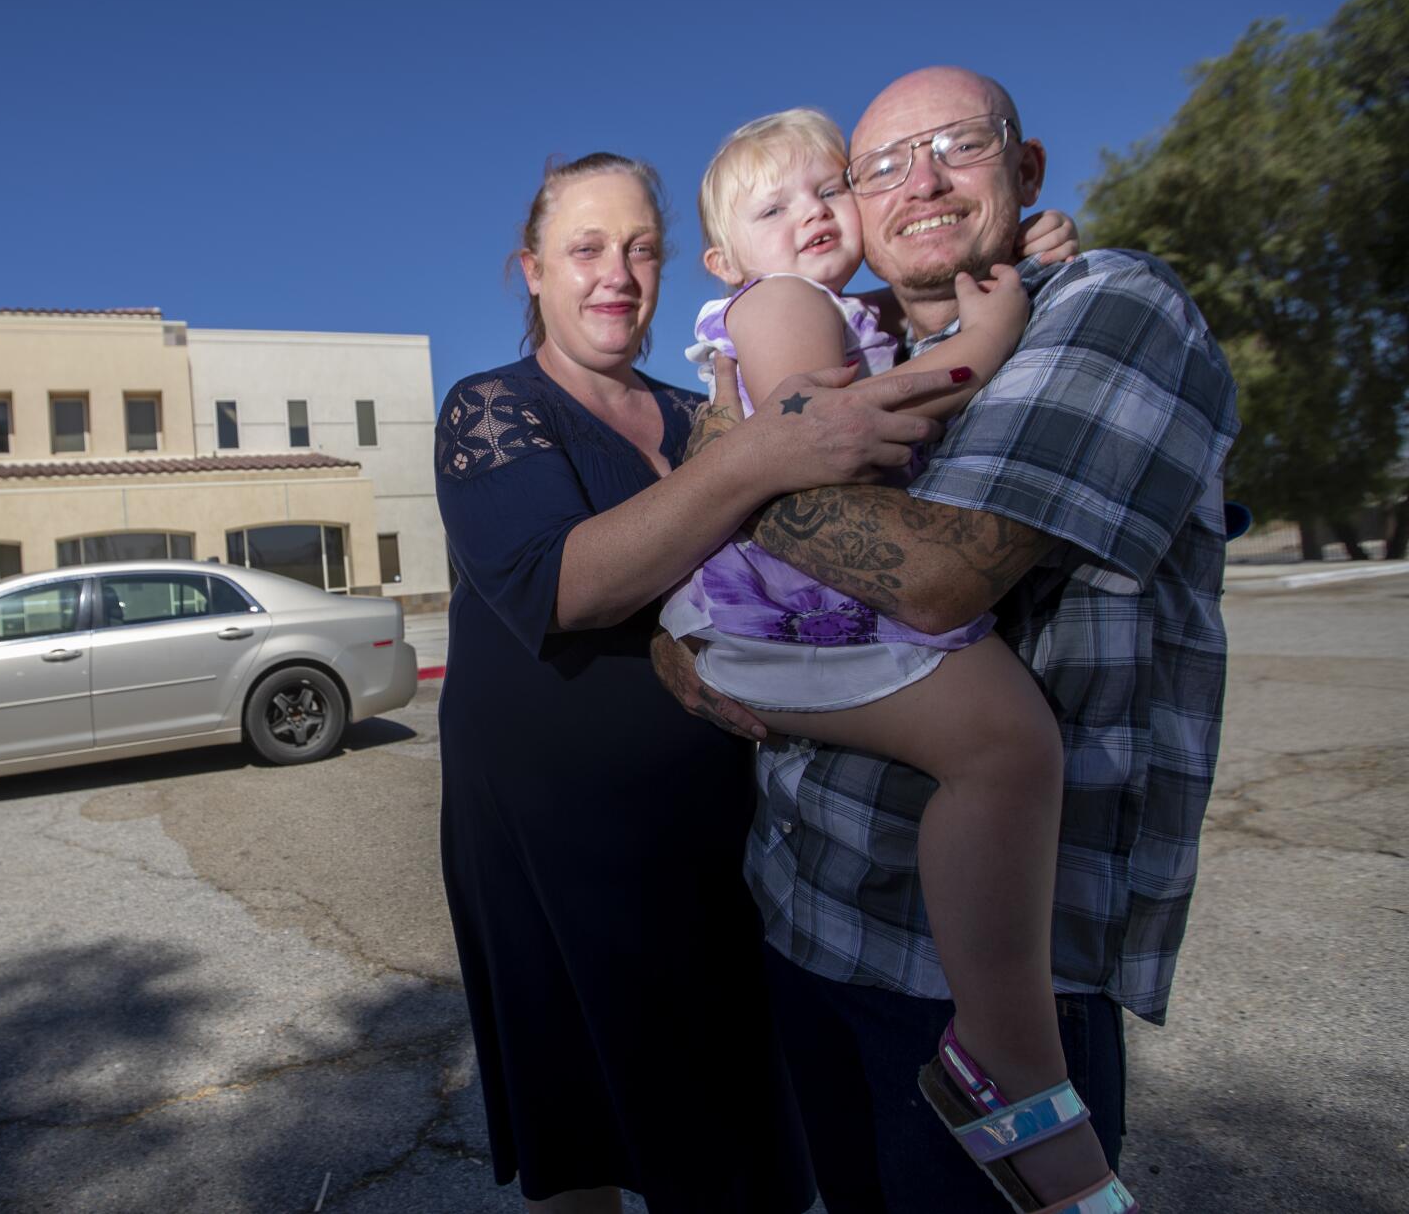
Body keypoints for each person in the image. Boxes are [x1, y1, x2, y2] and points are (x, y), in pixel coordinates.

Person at [655, 68, 1237, 1214]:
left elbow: (930, 578)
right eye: (880, 170)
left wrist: (720, 473)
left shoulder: (1107, 299)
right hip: (806, 914)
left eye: (957, 148)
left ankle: (1008, 1063)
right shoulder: (828, 322)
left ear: (1023, 172)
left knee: (1000, 741)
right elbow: (789, 445)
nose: (909, 184)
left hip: (971, 965)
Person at [435, 152, 970, 1212]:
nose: (617, 274)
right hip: (549, 838)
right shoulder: (491, 408)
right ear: (530, 270)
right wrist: (759, 459)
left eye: (640, 248)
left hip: (720, 823)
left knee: (736, 1137)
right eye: (585, 248)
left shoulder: (703, 406)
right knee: (580, 1129)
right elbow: (564, 584)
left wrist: (986, 286)